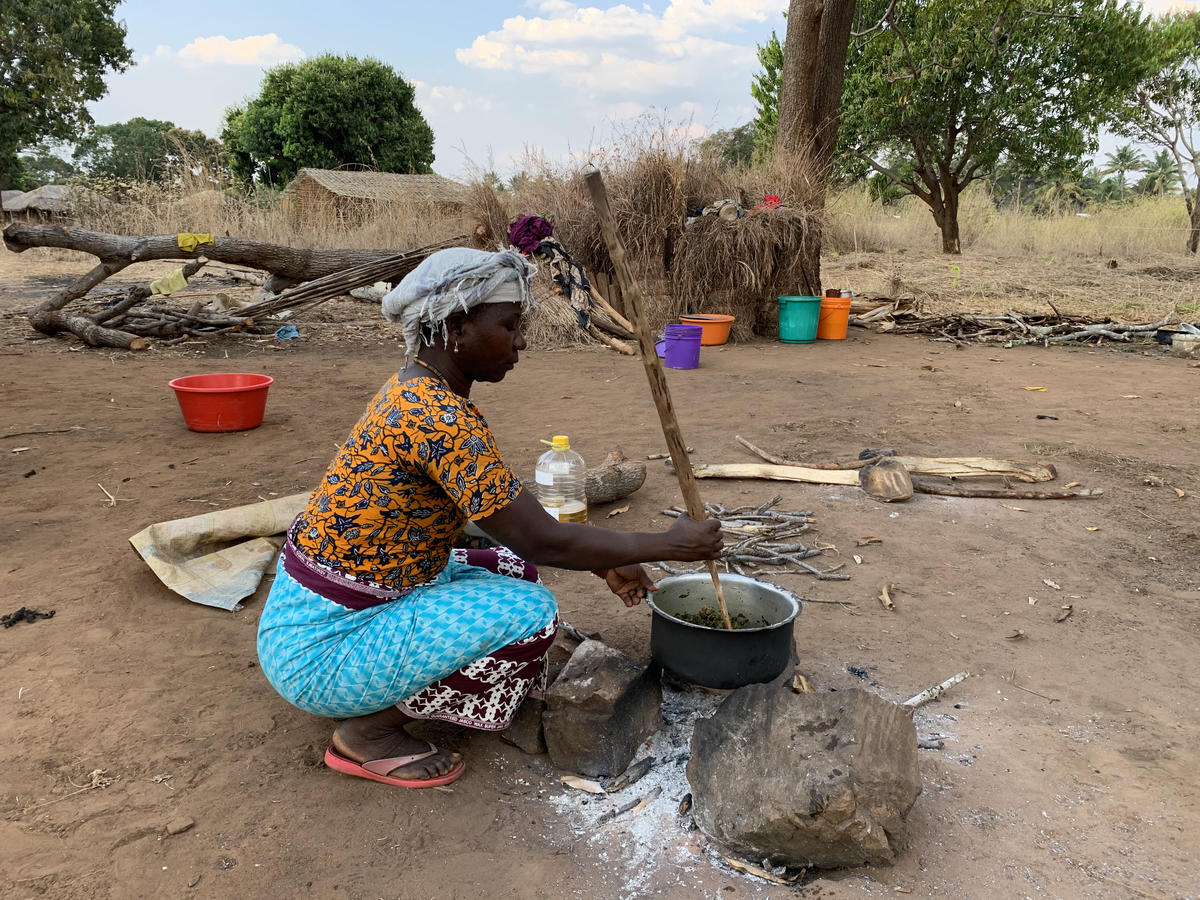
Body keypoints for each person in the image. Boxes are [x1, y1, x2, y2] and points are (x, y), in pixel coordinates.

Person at [256, 247, 723, 789]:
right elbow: (542, 539)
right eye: (510, 326)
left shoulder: (418, 391)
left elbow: (511, 528)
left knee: (512, 567)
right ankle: (368, 734)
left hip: (331, 610)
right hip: (322, 652)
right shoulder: (436, 417)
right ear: (456, 325)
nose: (521, 342)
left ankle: (395, 687)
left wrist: (602, 559)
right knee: (531, 616)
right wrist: (670, 543)